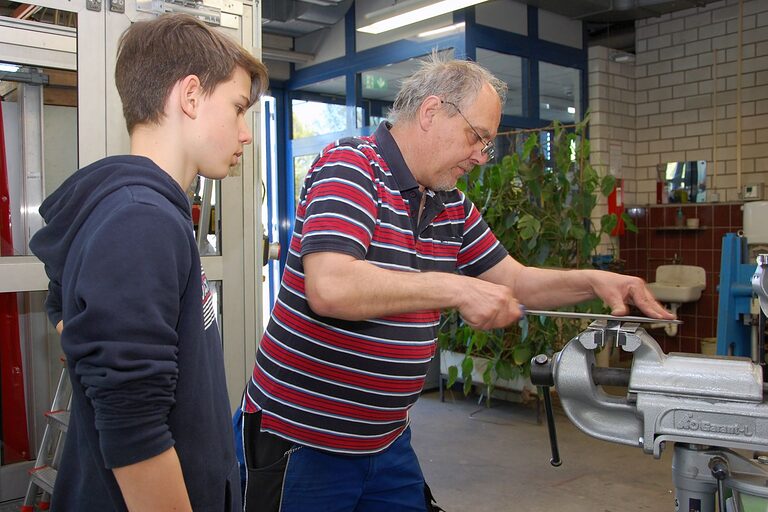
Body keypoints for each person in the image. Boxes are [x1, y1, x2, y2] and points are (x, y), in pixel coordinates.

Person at [239, 54, 673, 512]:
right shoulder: (350, 166)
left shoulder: (452, 206)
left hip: (385, 439)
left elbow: (517, 281)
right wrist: (457, 288)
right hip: (304, 438)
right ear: (431, 112)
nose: (482, 157)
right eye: (477, 137)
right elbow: (331, 286)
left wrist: (597, 281)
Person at [29, 14, 268, 512]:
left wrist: (99, 357)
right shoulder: (141, 220)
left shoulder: (141, 210)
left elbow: (62, 303)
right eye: (239, 108)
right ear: (191, 96)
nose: (245, 134)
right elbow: (134, 430)